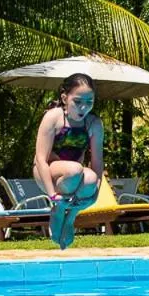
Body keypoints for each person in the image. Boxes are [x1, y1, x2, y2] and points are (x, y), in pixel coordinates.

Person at [33, 73, 104, 249]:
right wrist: (52, 196)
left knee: (90, 178)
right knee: (75, 170)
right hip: (47, 172)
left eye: (89, 102)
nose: (83, 107)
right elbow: (41, 159)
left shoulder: (94, 124)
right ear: (65, 98)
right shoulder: (53, 117)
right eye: (78, 101)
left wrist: (95, 194)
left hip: (74, 175)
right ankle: (57, 212)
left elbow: (97, 163)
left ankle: (71, 216)